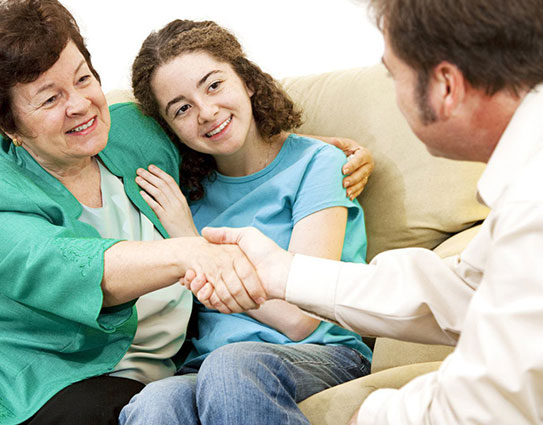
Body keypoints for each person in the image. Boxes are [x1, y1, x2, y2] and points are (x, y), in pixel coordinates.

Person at [0, 2, 372, 424]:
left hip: (247, 359)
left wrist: (318, 151)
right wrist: (189, 249)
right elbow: (72, 267)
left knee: (207, 377)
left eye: (84, 78)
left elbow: (224, 126)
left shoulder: (134, 135)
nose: (81, 105)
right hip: (6, 364)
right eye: (49, 98)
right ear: (10, 125)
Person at [194, 0, 543, 424]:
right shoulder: (534, 178)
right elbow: (461, 290)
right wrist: (285, 273)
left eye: (392, 75)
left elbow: (487, 401)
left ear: (445, 86)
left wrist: (372, 415)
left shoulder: (539, 203)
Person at [117, 19, 372, 425]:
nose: (206, 112)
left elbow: (300, 318)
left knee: (232, 366)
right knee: (153, 402)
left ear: (248, 80)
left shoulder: (317, 165)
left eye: (214, 85)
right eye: (181, 108)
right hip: (209, 367)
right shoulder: (183, 198)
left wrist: (191, 242)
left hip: (324, 353)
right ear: (171, 130)